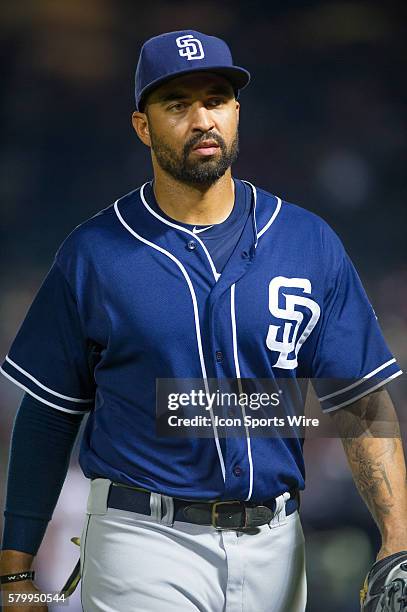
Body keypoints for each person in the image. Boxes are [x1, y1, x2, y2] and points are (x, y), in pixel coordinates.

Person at [0, 30, 406, 612]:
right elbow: (48, 414)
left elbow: (361, 402)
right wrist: (15, 573)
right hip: (143, 538)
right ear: (143, 126)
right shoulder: (93, 254)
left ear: (237, 112)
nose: (201, 120)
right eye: (176, 105)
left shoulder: (309, 242)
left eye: (215, 100)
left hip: (277, 544)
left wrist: (398, 542)